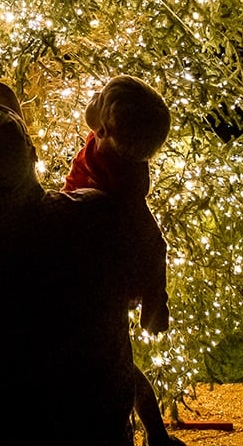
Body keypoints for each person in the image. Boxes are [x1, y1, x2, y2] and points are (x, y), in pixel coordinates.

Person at [0, 86, 156, 446]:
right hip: (94, 429)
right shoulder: (97, 218)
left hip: (1, 429)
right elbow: (135, 288)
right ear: (33, 154)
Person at [65, 76, 182, 446]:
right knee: (116, 363)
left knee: (117, 368)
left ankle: (155, 433)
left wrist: (154, 299)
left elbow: (152, 243)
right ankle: (154, 433)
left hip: (95, 282)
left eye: (100, 96)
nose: (93, 94)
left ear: (106, 130)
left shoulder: (123, 185)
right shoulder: (111, 149)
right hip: (92, 276)